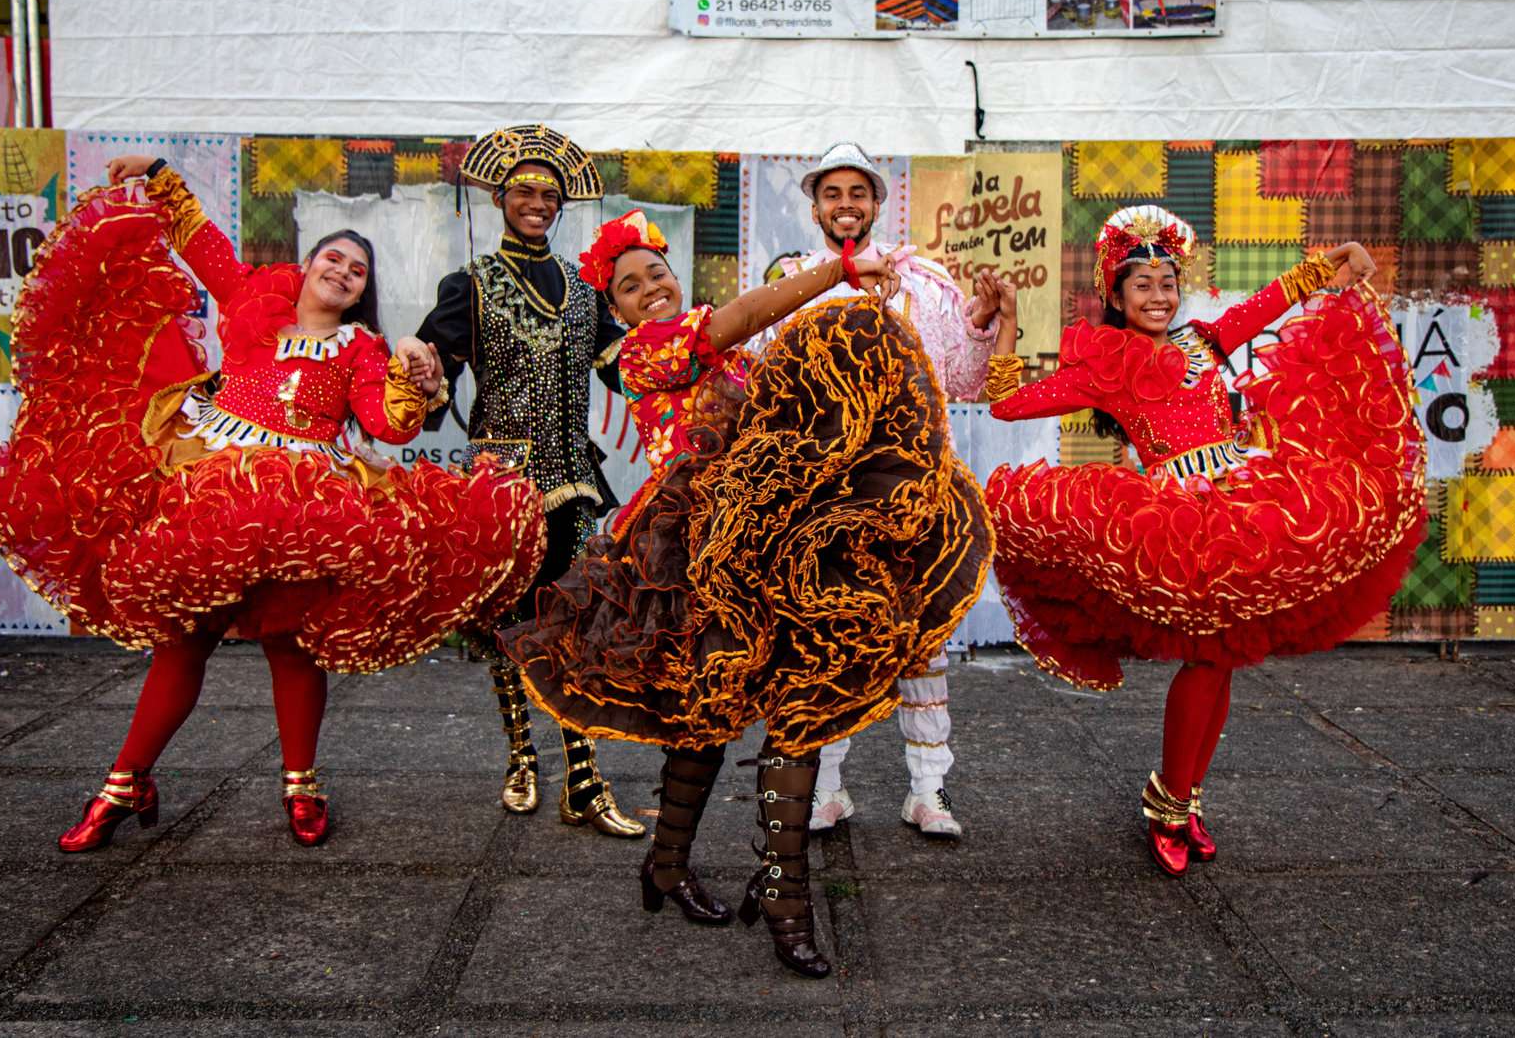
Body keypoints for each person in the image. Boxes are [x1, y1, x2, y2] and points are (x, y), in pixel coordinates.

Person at [0, 155, 544, 852]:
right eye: (332, 257)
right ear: (305, 268)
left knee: (292, 645)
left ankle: (300, 783)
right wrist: (159, 175)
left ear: (363, 293)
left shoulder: (361, 349)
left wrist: (418, 379)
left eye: (357, 270)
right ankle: (124, 782)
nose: (342, 270)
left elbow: (390, 425)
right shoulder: (249, 299)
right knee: (182, 643)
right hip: (209, 488)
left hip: (305, 507)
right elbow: (199, 239)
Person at [494, 211, 992, 978]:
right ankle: (734, 881)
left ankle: (729, 877)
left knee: (783, 703)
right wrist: (837, 273)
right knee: (723, 706)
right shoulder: (645, 351)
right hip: (692, 545)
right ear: (616, 311)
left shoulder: (714, 343)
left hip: (767, 534)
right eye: (629, 285)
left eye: (656, 273)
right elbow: (746, 316)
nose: (649, 288)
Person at [982, 204, 1425, 876]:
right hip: (1176, 524)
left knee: (1225, 659)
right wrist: (1009, 318)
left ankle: (1182, 800)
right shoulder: (1106, 364)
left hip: (1242, 506)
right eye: (1143, 285)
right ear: (1116, 294)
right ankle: (1168, 803)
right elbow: (1008, 404)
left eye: (1167, 282)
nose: (1159, 296)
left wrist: (1332, 263)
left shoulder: (1202, 342)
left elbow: (1272, 302)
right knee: (1209, 659)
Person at [748, 142, 1010, 841]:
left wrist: (982, 320)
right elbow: (759, 376)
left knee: (920, 642)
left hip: (916, 494)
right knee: (829, 636)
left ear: (876, 202)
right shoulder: (796, 282)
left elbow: (963, 379)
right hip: (827, 499)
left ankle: (928, 790)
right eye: (831, 193)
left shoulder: (922, 280)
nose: (845, 205)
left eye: (856, 193)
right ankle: (828, 789)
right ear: (814, 208)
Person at [400, 125, 643, 838]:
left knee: (574, 623)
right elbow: (434, 374)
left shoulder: (581, 289)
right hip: (499, 482)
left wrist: (672, 352)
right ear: (502, 198)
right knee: (507, 626)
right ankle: (520, 756)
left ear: (561, 203)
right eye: (525, 191)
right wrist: (423, 373)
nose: (537, 202)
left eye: (548, 193)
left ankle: (583, 776)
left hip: (571, 474)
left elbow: (620, 370)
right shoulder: (469, 285)